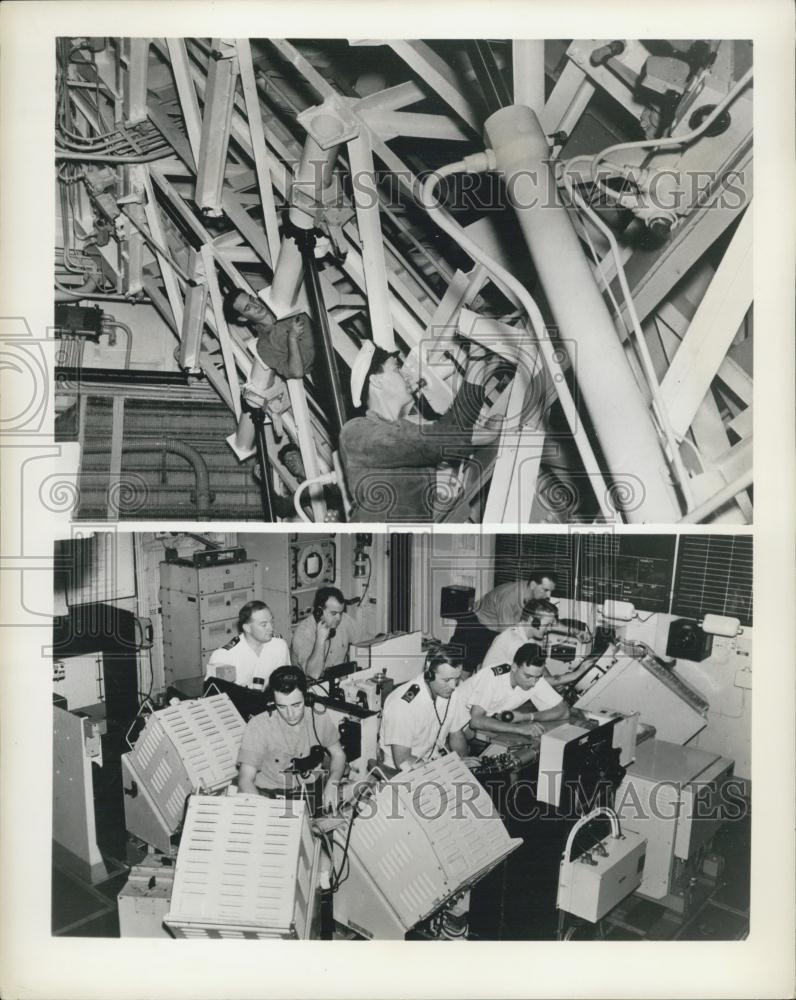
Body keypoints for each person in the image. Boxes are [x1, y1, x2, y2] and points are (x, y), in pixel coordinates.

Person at [340, 343, 502, 522]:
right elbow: (443, 439)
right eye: (397, 369)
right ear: (376, 381)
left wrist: (489, 368)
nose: (406, 375)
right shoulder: (354, 433)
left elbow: (447, 434)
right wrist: (477, 361)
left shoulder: (403, 429)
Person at [237, 665, 347, 815]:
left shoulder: (318, 715)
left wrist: (333, 784)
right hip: (272, 794)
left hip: (310, 789)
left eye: (296, 705)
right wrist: (263, 812)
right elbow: (245, 780)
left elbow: (338, 755)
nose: (290, 714)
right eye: (281, 706)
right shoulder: (258, 726)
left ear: (306, 698)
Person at [450, 569, 558, 674]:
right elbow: (509, 633)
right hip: (474, 625)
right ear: (533, 585)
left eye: (551, 591)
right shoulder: (510, 597)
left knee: (482, 667)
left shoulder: (531, 594)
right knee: (462, 670)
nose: (548, 596)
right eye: (545, 590)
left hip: (491, 626)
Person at [459, 641, 569, 743]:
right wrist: (520, 728)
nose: (533, 683)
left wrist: (526, 717)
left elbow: (563, 711)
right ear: (514, 667)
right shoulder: (493, 676)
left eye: (538, 677)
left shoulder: (534, 678)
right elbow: (476, 720)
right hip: (456, 719)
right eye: (528, 677)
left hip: (482, 725)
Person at [378, 648, 470, 769]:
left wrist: (465, 765)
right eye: (446, 680)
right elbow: (403, 761)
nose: (453, 686)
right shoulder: (402, 705)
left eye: (456, 678)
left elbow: (456, 733)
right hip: (404, 771)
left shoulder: (451, 691)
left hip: (433, 762)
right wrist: (446, 767)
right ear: (429, 673)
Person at [205, 600, 290, 691]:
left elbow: (286, 684)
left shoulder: (279, 646)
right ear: (247, 628)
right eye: (264, 625)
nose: (271, 628)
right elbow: (215, 693)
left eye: (271, 622)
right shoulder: (224, 657)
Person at [290, 586, 361, 680]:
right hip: (313, 687)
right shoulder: (303, 632)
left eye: (340, 613)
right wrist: (320, 640)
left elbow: (362, 646)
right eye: (334, 613)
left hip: (339, 681)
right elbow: (313, 674)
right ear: (319, 611)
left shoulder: (345, 620)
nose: (338, 619)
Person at [480, 598, 558, 671]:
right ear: (533, 620)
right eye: (547, 624)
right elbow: (534, 679)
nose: (549, 629)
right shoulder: (515, 642)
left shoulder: (526, 638)